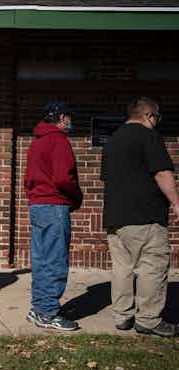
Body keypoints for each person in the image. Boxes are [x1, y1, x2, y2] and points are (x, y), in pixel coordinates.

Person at [101, 97, 177, 337]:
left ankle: (123, 316)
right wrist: (176, 203)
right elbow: (162, 173)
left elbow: (107, 179)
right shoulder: (149, 136)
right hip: (145, 216)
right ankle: (149, 320)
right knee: (152, 267)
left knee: (122, 268)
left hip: (115, 217)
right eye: (157, 117)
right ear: (149, 115)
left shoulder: (112, 141)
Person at [24, 101, 83, 331]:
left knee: (41, 260)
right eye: (69, 117)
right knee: (55, 261)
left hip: (37, 205)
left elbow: (30, 178)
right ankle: (48, 312)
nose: (70, 121)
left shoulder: (37, 141)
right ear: (60, 118)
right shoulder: (58, 140)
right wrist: (76, 197)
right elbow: (62, 178)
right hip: (54, 205)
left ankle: (39, 308)